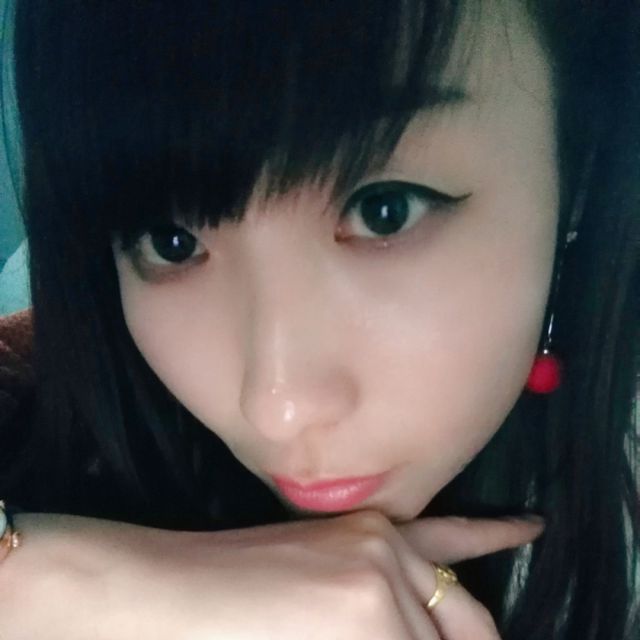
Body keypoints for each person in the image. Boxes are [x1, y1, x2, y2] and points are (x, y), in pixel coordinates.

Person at [0, 1, 638, 638]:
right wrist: (49, 583)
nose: (277, 406)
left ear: (580, 165)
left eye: (384, 210)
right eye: (172, 242)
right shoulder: (51, 414)